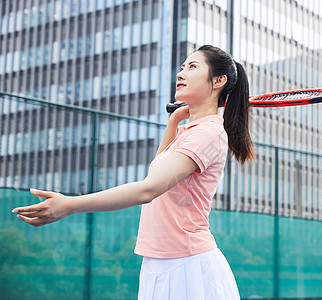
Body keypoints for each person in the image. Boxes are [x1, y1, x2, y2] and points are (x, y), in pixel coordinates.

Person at [12, 45, 254, 299]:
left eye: (192, 67)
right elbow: (155, 175)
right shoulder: (190, 132)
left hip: (187, 264)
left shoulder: (207, 133)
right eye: (182, 67)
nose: (181, 74)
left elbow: (148, 190)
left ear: (218, 81)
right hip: (161, 261)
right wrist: (173, 123)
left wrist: (70, 204)